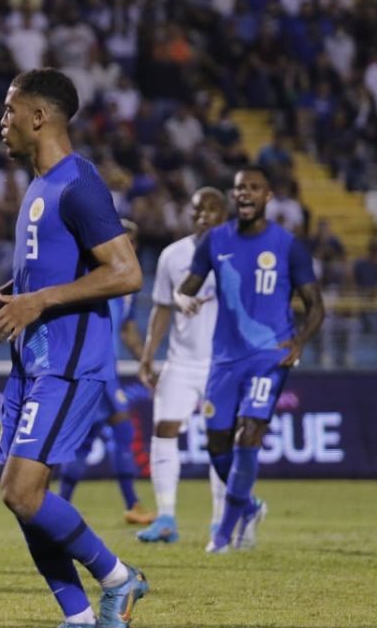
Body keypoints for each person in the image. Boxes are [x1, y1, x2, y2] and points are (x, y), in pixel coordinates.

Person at [0, 68, 148, 628]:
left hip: (68, 363)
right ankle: (78, 618)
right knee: (27, 497)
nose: (2, 123)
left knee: (21, 492)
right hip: (31, 363)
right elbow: (26, 288)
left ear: (39, 116)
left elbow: (125, 272)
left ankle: (119, 578)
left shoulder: (79, 185)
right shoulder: (39, 187)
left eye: (9, 111)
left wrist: (39, 302)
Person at [175, 166, 324, 553]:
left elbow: (316, 308)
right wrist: (183, 300)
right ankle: (249, 506)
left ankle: (223, 533)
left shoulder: (288, 245)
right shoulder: (214, 240)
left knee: (249, 434)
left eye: (254, 188)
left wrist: (299, 342)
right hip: (224, 359)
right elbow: (185, 288)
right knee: (217, 446)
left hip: (270, 356)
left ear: (268, 196)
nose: (245, 194)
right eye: (240, 188)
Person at [136, 188, 229, 543]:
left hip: (224, 365)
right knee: (164, 430)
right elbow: (161, 308)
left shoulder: (240, 253)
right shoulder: (172, 256)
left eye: (212, 208)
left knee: (221, 442)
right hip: (181, 361)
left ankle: (222, 522)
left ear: (225, 214)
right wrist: (147, 355)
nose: (203, 214)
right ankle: (166, 518)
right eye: (197, 209)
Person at [55, 220, 154, 525]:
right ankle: (133, 504)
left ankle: (57, 507)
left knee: (86, 439)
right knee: (123, 430)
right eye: (124, 240)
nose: (129, 246)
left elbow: (127, 329)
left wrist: (145, 359)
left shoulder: (129, 285)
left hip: (106, 368)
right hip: (93, 367)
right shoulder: (99, 277)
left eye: (133, 241)